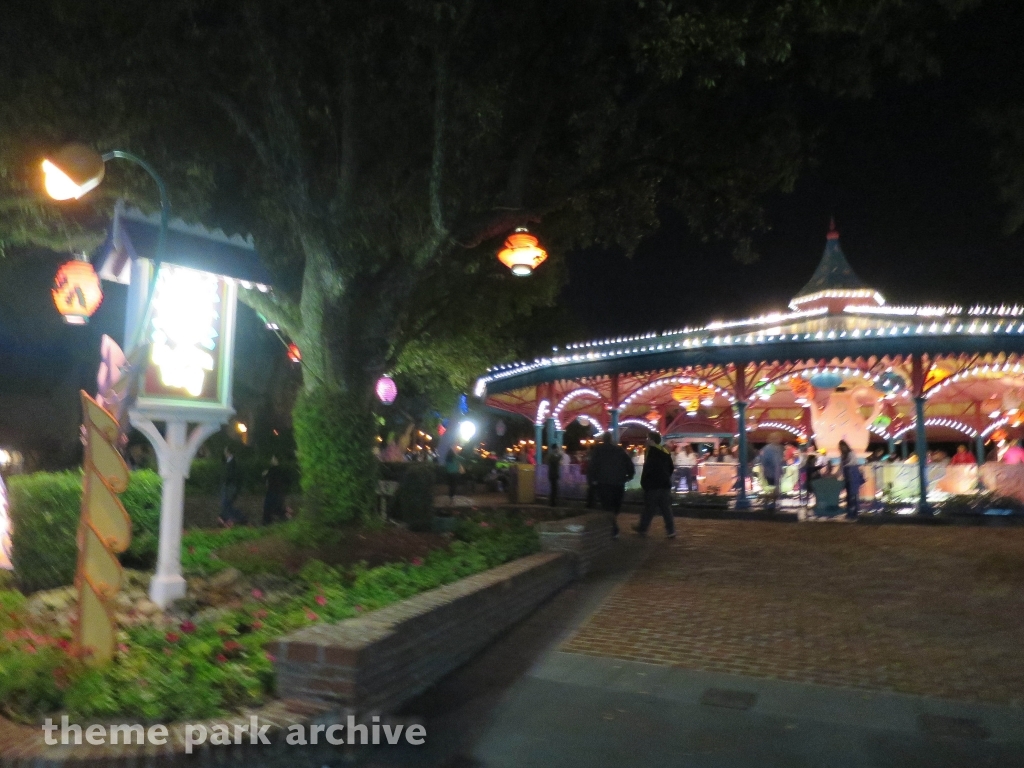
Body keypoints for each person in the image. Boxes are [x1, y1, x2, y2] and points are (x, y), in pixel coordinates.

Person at [587, 432, 635, 537]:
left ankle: (613, 528)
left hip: (604, 482)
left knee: (607, 506)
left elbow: (593, 466)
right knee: (616, 505)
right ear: (612, 439)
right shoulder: (619, 450)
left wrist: (592, 480)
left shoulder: (598, 450)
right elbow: (629, 464)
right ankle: (612, 526)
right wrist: (629, 476)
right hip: (618, 482)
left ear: (603, 439)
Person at [634, 432, 676, 538]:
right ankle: (671, 531)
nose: (646, 440)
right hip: (665, 484)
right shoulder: (665, 451)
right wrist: (666, 477)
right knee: (666, 509)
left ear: (652, 440)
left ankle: (643, 528)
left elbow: (647, 469)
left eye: (648, 438)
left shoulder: (651, 452)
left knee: (649, 508)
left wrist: (644, 483)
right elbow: (671, 467)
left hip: (653, 485)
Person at [218, 446, 244, 527]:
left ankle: (234, 519)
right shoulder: (228, 462)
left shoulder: (232, 463)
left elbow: (231, 476)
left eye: (225, 451)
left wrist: (226, 482)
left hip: (229, 487)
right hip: (228, 486)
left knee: (226, 504)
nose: (224, 453)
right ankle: (228, 519)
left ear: (228, 452)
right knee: (226, 504)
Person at [839, 440, 864, 519]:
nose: (842, 448)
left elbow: (850, 463)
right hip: (849, 475)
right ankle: (851, 512)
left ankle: (853, 513)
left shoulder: (850, 454)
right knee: (850, 495)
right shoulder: (844, 455)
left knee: (853, 494)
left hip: (852, 475)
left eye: (843, 446)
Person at [261, 455, 289, 525]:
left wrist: (265, 475)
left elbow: (267, 478)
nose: (272, 460)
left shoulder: (273, 469)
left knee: (269, 507)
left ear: (277, 460)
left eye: (273, 459)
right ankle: (284, 518)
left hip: (273, 491)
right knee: (276, 508)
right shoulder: (278, 470)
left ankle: (267, 522)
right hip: (277, 491)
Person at [759, 434, 784, 508]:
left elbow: (762, 461)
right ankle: (773, 502)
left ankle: (771, 502)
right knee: (774, 488)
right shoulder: (774, 449)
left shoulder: (767, 448)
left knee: (772, 488)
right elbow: (776, 462)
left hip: (770, 472)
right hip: (772, 473)